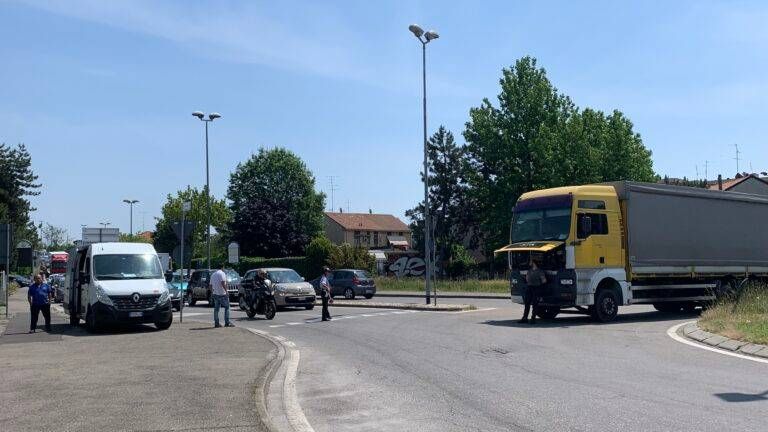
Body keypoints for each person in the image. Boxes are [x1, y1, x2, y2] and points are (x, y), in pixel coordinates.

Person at [519, 260, 547, 325]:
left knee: (535, 304)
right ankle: (524, 318)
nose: (529, 263)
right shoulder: (529, 270)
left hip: (536, 288)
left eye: (531, 262)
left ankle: (533, 318)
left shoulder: (540, 271)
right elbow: (527, 278)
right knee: (527, 303)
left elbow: (544, 280)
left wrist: (540, 282)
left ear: (534, 263)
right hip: (529, 288)